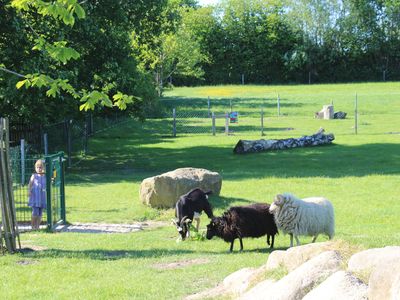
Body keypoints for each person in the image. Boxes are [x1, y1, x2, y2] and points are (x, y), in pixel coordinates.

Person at [28, 159, 46, 230]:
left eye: (40, 167)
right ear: (35, 168)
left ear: (43, 168)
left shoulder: (45, 176)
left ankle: (37, 227)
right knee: (35, 212)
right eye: (37, 167)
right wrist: (29, 191)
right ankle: (33, 227)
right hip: (35, 197)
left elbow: (51, 181)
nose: (39, 169)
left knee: (40, 213)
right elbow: (30, 184)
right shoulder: (34, 176)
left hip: (42, 197)